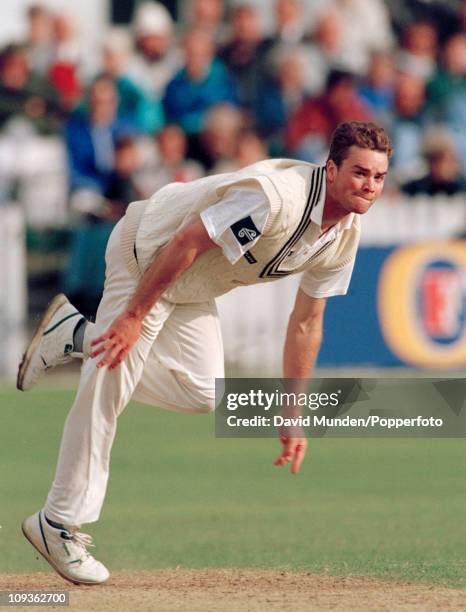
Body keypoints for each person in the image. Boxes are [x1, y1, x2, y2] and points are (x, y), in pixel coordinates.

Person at [18, 121, 392, 586]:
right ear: (332, 168)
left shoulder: (343, 234)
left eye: (378, 177)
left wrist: (292, 412)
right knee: (109, 379)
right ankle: (57, 521)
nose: (369, 186)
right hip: (150, 254)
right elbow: (187, 241)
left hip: (193, 283)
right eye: (360, 173)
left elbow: (307, 322)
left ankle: (76, 335)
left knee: (201, 393)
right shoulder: (276, 197)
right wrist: (132, 317)